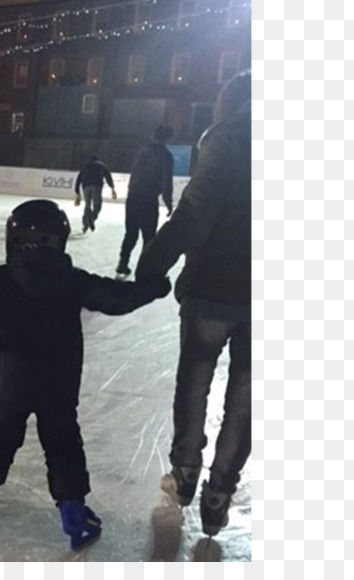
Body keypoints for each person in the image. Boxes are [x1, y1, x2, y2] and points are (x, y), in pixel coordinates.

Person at [0, 199, 171, 550]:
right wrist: (152, 288)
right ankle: (74, 517)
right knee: (63, 444)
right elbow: (115, 297)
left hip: (10, 383)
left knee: (0, 435)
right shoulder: (72, 281)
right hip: (59, 386)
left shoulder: (1, 280)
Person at [135, 71, 251, 537]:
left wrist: (152, 266)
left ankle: (186, 473)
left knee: (195, 384)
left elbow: (196, 212)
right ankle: (219, 491)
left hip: (213, 292)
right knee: (247, 397)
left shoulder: (229, 140)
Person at [116, 125, 175, 276]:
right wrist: (168, 202)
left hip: (133, 197)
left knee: (131, 233)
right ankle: (145, 268)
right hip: (148, 199)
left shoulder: (142, 152)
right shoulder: (165, 155)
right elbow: (166, 181)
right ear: (168, 138)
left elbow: (134, 172)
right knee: (149, 236)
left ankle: (123, 262)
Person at [74, 155, 116, 233]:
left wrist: (77, 191)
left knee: (87, 205)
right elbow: (108, 176)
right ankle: (92, 218)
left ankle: (85, 224)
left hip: (86, 186)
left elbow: (79, 178)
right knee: (97, 205)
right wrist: (112, 187)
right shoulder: (101, 165)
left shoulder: (85, 166)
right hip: (96, 185)